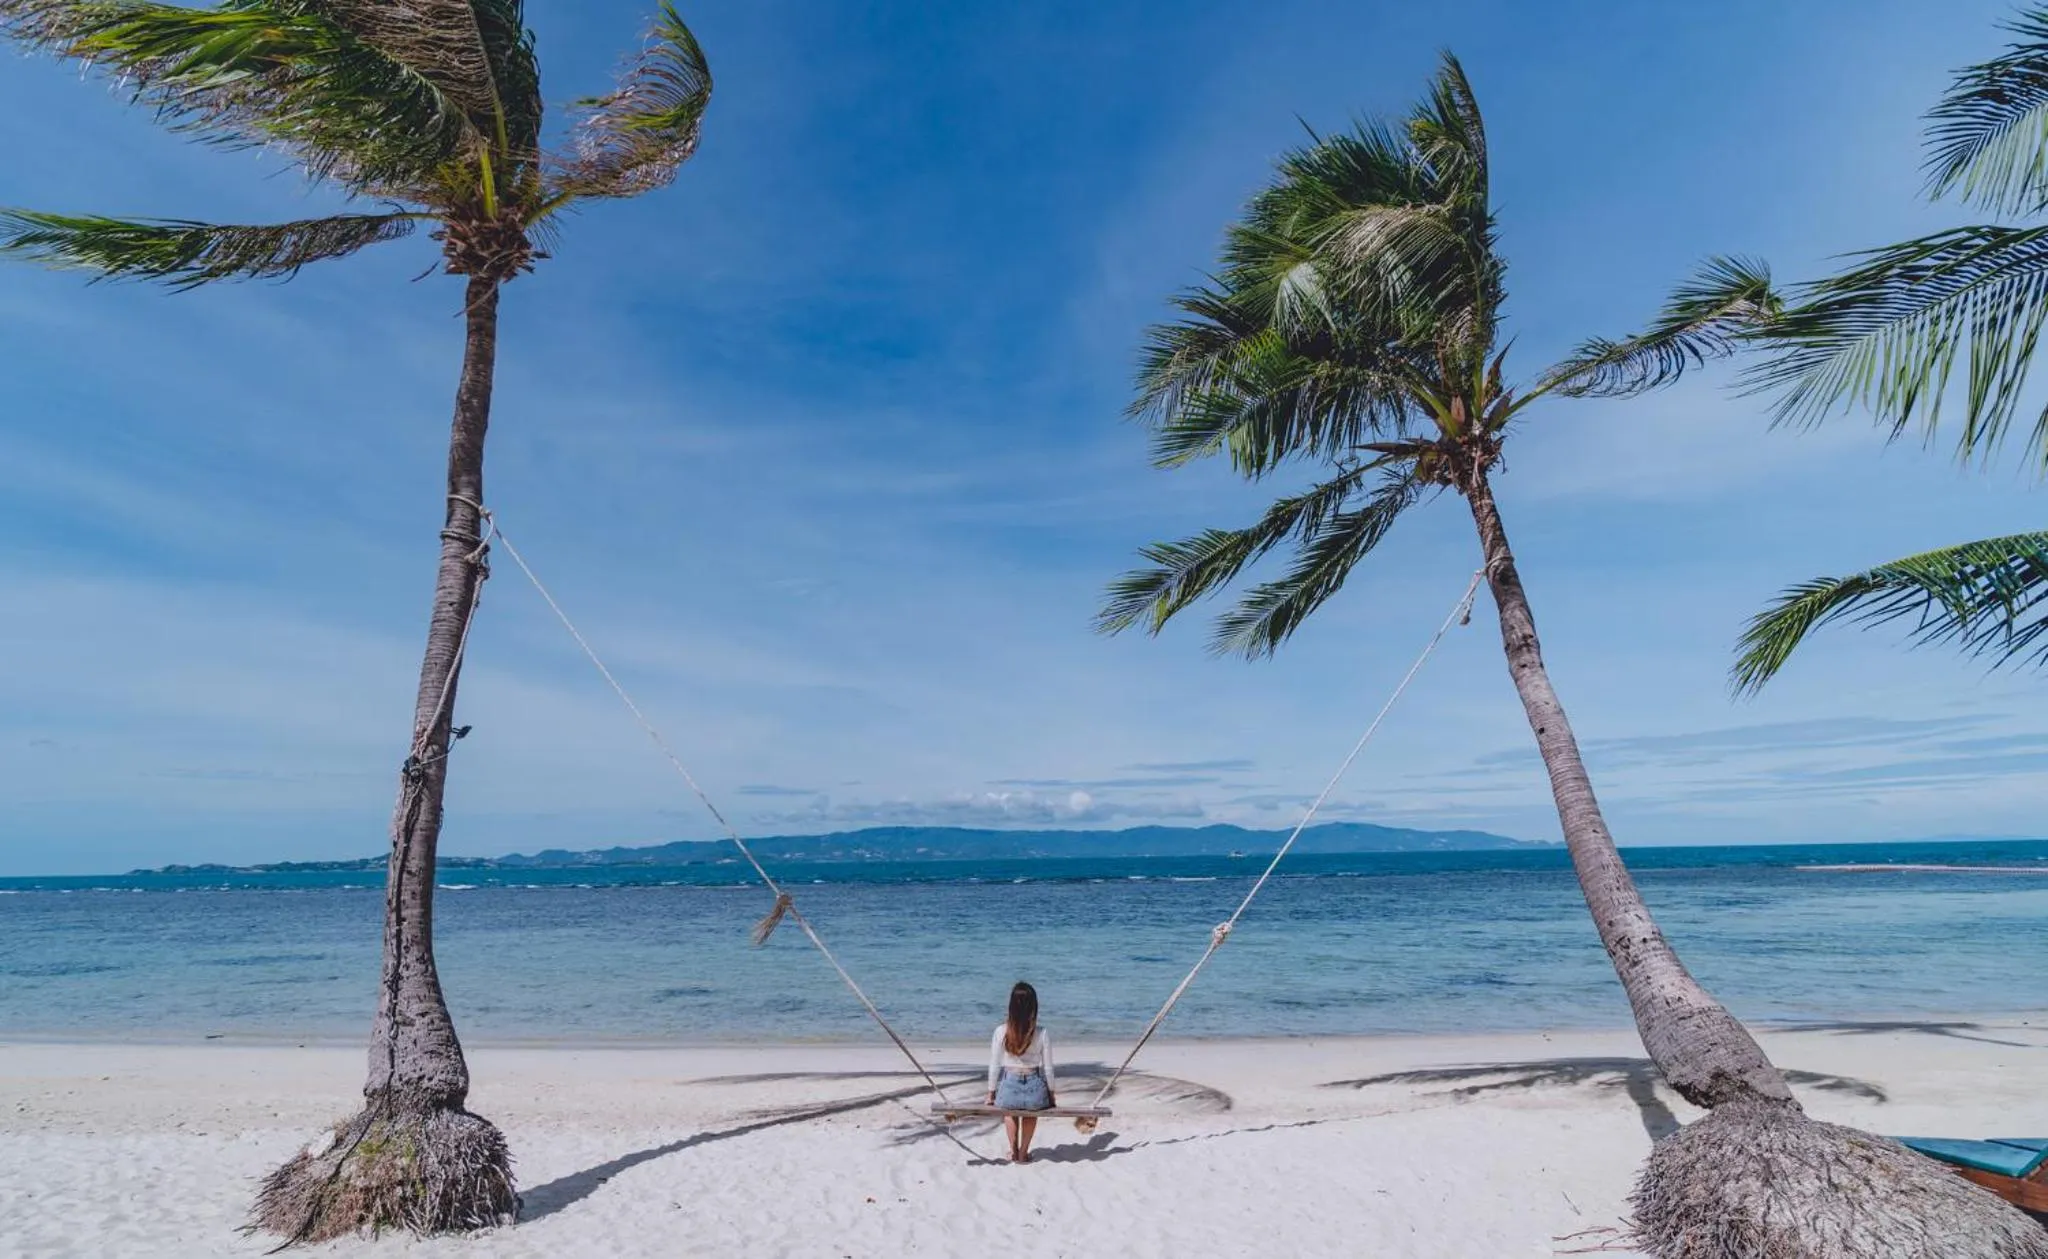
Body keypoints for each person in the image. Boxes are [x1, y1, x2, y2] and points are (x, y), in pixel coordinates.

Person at [986, 980, 1055, 1164]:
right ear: (1034, 1007)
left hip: (1009, 1085)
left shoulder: (1001, 1031)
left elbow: (994, 1065)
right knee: (1031, 1112)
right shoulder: (1042, 1032)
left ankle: (1014, 1151)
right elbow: (1048, 1068)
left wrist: (991, 1093)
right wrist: (1051, 1094)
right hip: (1035, 1087)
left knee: (1009, 1111)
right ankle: (1023, 1153)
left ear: (1011, 1006)